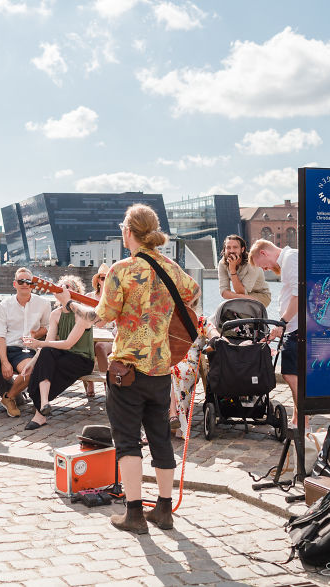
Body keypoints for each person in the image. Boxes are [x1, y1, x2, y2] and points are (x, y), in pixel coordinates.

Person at [62, 204, 199, 534]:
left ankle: (134, 514)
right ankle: (164, 511)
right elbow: (192, 294)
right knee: (161, 439)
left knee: (127, 443)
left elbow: (101, 317)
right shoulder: (171, 267)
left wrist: (72, 304)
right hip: (161, 367)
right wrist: (161, 318)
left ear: (129, 231)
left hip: (127, 370)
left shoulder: (122, 270)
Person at [0, 267, 51, 424]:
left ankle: (9, 397)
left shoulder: (44, 303)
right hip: (3, 346)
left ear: (33, 285)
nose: (25, 284)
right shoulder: (5, 305)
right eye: (21, 281)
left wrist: (35, 334)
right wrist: (5, 361)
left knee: (32, 368)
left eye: (28, 281)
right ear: (15, 284)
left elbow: (47, 326)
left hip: (25, 349)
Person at [18, 275, 98, 430]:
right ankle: (44, 404)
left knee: (50, 365)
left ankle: (40, 413)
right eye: (61, 286)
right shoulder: (55, 314)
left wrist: (39, 343)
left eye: (68, 287)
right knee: (45, 356)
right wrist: (33, 361)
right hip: (64, 355)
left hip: (82, 359)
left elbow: (68, 344)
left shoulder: (82, 313)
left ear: (75, 292)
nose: (64, 289)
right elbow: (48, 343)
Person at [249, 238, 300, 425]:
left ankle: (302, 419)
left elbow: (298, 294)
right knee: (292, 373)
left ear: (263, 253)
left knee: (291, 374)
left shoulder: (289, 259)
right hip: (292, 326)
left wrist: (282, 323)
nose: (264, 269)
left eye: (262, 265)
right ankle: (299, 417)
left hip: (296, 326)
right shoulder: (289, 260)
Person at [169, 315, 219, 438]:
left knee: (177, 371)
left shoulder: (200, 321)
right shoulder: (167, 316)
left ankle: (172, 416)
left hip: (188, 362)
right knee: (165, 370)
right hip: (167, 357)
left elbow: (214, 334)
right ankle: (173, 416)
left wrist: (215, 339)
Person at [218, 234, 271, 308]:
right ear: (224, 250)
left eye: (235, 247)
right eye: (228, 248)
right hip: (243, 297)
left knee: (238, 308)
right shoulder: (222, 263)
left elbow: (242, 291)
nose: (231, 251)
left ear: (242, 249)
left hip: (261, 295)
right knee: (224, 311)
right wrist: (243, 297)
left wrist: (232, 269)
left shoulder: (252, 263)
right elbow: (224, 292)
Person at [84, 263, 113, 398]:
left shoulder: (115, 299)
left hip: (110, 336)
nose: (105, 280)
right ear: (98, 281)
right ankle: (89, 382)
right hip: (90, 334)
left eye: (108, 277)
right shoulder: (88, 297)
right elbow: (82, 318)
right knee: (85, 345)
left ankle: (107, 385)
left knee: (100, 346)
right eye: (102, 278)